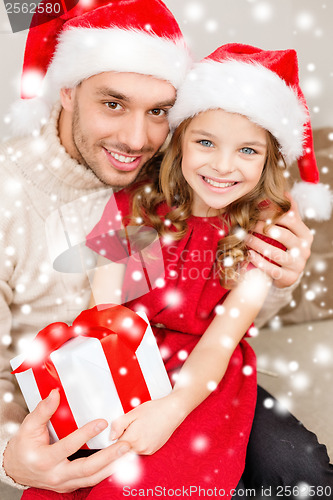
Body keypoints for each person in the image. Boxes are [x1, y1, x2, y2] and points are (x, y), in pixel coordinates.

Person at [0, 0, 327, 494]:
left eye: (159, 112)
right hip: (83, 380)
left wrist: (282, 272)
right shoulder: (15, 198)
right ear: (66, 91)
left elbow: (225, 305)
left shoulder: (171, 173)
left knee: (300, 475)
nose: (137, 138)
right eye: (113, 103)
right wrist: (11, 454)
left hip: (198, 373)